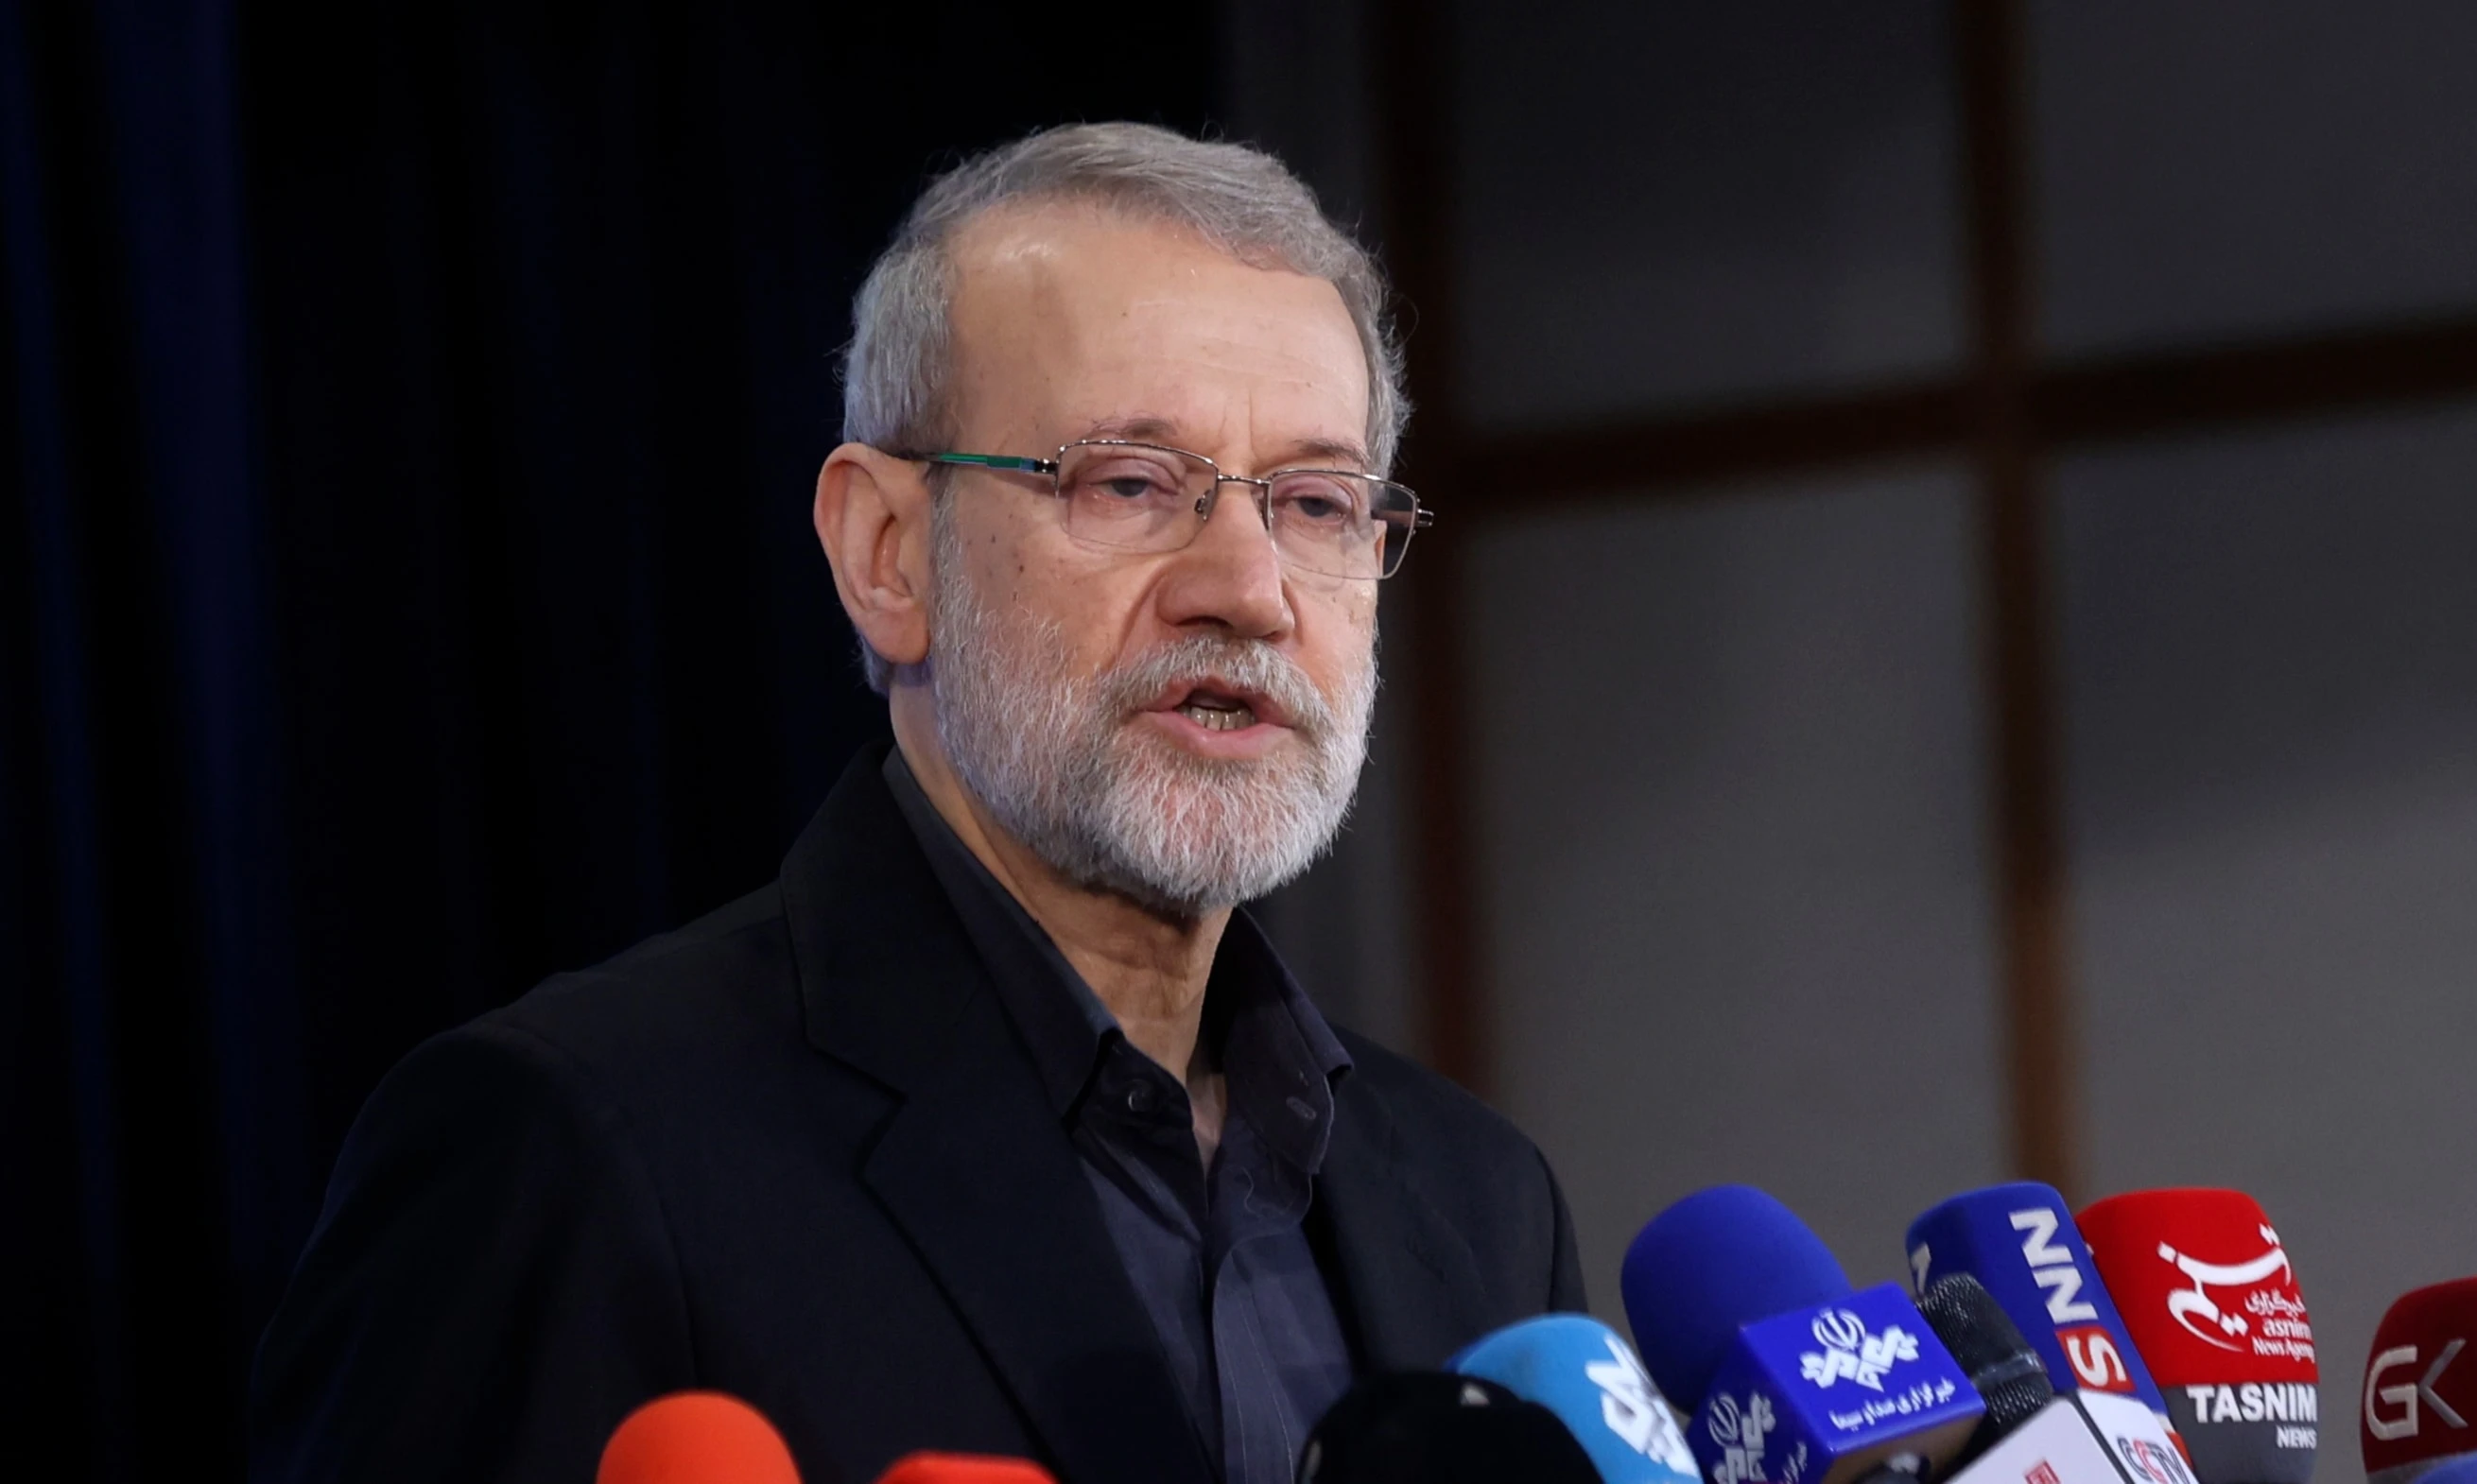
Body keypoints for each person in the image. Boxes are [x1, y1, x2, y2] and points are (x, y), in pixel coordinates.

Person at [249, 121, 1584, 1484]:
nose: (1247, 589)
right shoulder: (578, 1145)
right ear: (887, 554)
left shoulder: (1476, 1198)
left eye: (1315, 502)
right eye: (1128, 482)